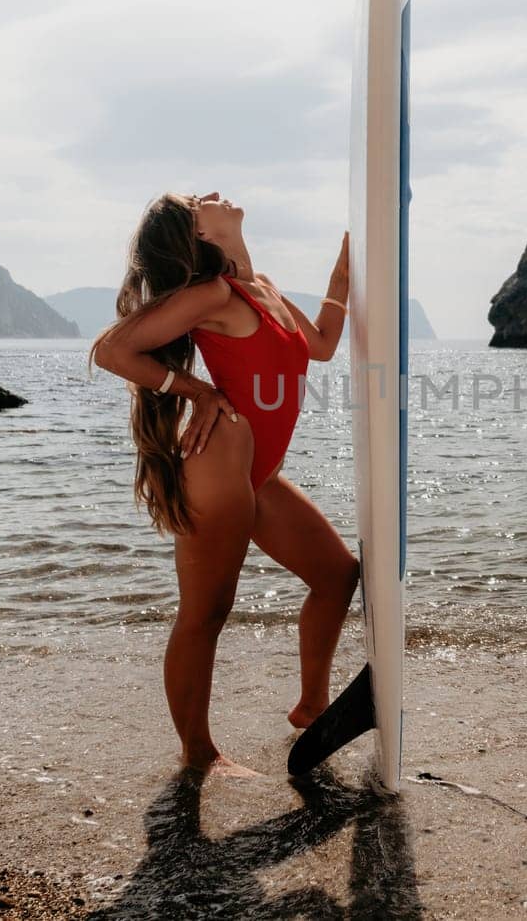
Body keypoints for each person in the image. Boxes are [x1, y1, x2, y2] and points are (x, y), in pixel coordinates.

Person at [90, 191, 359, 775]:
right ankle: (199, 755)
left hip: (256, 474)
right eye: (196, 202)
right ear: (200, 237)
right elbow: (113, 350)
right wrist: (198, 391)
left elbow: (323, 346)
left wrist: (348, 263)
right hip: (219, 461)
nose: (212, 195)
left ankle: (312, 706)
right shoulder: (213, 295)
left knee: (338, 576)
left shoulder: (261, 288)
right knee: (206, 612)